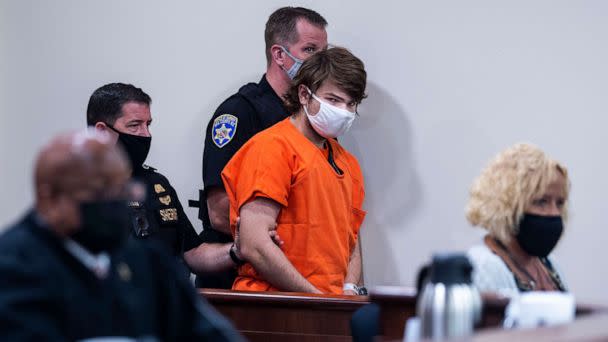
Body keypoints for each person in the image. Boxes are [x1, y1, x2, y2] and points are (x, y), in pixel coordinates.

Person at [0, 130, 242, 341]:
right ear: (49, 199)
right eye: (99, 193)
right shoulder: (13, 268)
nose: (114, 204)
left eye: (122, 190)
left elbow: (209, 333)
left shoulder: (147, 261)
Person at [195, 6, 329, 289]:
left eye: (324, 52)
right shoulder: (240, 113)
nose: (321, 62)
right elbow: (219, 211)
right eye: (310, 50)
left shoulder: (315, 120)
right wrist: (299, 233)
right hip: (238, 281)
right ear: (279, 55)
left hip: (296, 274)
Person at [221, 47, 368, 295]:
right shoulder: (272, 147)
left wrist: (350, 290)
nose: (343, 111)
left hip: (329, 308)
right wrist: (314, 298)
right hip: (276, 305)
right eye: (333, 100)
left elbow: (350, 241)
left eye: (350, 103)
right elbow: (254, 244)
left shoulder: (348, 163)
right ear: (304, 94)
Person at [87, 82, 209, 276]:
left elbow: (192, 253)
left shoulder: (157, 183)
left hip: (168, 300)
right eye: (135, 125)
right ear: (102, 131)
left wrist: (237, 250)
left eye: (148, 124)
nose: (146, 134)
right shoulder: (78, 189)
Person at [466, 143, 569, 295]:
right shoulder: (483, 267)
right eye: (541, 202)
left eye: (559, 203)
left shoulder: (550, 264)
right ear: (507, 205)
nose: (554, 213)